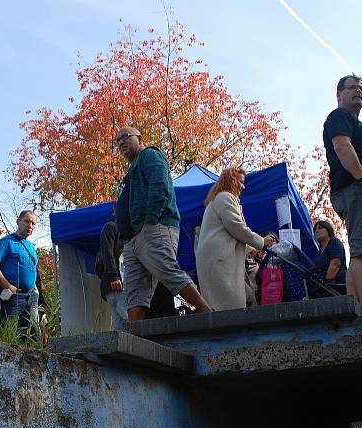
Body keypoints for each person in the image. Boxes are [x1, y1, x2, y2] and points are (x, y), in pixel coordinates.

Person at [113, 126, 212, 319]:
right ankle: (133, 339)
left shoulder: (150, 155)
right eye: (117, 141)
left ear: (140, 138)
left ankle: (207, 313)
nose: (121, 142)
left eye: (125, 137)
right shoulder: (133, 170)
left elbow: (161, 188)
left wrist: (150, 222)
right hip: (132, 239)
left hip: (154, 228)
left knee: (167, 271)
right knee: (135, 293)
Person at [323, 74, 362, 314]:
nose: (358, 91)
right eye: (352, 88)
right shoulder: (339, 116)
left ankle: (354, 305)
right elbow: (342, 146)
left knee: (361, 250)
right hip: (356, 187)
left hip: (358, 188)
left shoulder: (353, 120)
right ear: (339, 94)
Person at [195, 167, 275, 311]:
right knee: (230, 307)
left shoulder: (217, 199)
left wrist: (253, 249)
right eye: (240, 181)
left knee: (238, 299)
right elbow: (237, 227)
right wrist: (261, 242)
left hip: (215, 260)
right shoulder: (225, 197)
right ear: (230, 180)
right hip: (221, 261)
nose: (243, 186)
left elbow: (231, 233)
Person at [0, 210, 40, 333]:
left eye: (33, 223)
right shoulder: (6, 242)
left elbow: (31, 269)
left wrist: (35, 288)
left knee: (29, 334)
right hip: (13, 296)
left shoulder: (31, 247)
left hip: (31, 296)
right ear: (18, 221)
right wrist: (8, 286)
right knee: (6, 332)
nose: (30, 226)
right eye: (27, 221)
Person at [95, 217, 128, 330]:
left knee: (119, 323)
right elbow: (107, 252)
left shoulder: (126, 231)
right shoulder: (112, 227)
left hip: (116, 285)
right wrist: (113, 275)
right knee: (129, 319)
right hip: (116, 284)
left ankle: (122, 346)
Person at [312, 220, 347, 293]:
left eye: (320, 228)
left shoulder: (334, 242)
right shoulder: (318, 252)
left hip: (336, 285)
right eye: (315, 230)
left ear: (328, 229)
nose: (317, 231)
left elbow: (335, 264)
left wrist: (327, 282)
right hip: (322, 286)